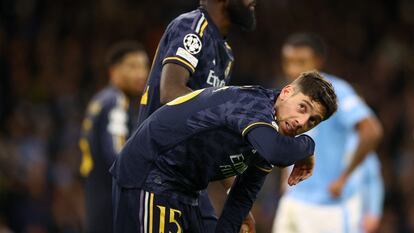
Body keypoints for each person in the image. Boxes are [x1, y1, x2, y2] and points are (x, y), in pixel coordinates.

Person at [110, 71, 338, 233]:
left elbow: (242, 197)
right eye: (302, 107)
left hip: (184, 189)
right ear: (287, 92)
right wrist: (308, 147)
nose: (302, 122)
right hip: (150, 175)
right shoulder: (253, 106)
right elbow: (276, 153)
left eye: (313, 121)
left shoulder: (271, 132)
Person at [137, 0, 258, 232]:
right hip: (158, 175)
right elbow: (171, 92)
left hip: (189, 183)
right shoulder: (192, 26)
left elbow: (209, 135)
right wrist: (228, 120)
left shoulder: (226, 54)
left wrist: (236, 199)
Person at [272, 33, 384, 233]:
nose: (293, 69)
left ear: (318, 61)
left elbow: (372, 131)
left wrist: (344, 178)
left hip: (325, 208)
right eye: (288, 62)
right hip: (292, 200)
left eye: (301, 62)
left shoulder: (336, 91)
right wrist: (284, 179)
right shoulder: (288, 93)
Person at [79, 41, 149, 233]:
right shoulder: (116, 101)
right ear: (113, 71)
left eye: (144, 66)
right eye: (132, 66)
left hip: (96, 195)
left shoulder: (100, 99)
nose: (141, 74)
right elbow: (116, 152)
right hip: (111, 200)